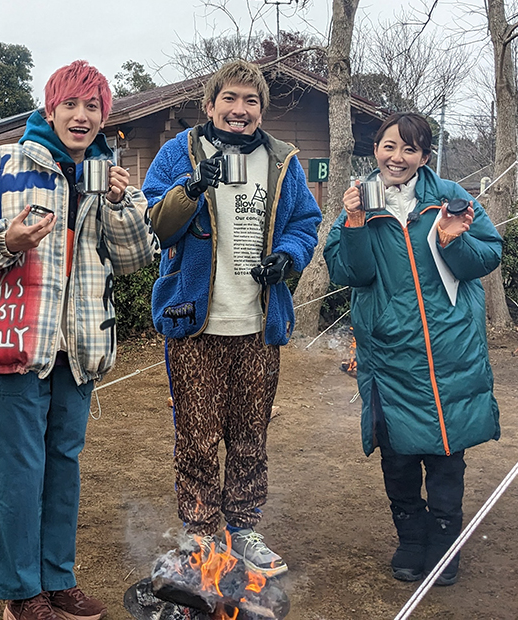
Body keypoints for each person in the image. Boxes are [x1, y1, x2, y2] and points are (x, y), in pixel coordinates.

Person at [0, 61, 157, 620]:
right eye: (72, 105)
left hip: (79, 345)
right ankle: (20, 592)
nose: (81, 116)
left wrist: (119, 205)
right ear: (50, 110)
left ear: (104, 118)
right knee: (19, 470)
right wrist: (5, 241)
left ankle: (58, 577)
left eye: (93, 107)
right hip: (15, 341)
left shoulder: (111, 179)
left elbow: (137, 261)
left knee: (64, 464)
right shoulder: (9, 166)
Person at [141, 60, 322, 577]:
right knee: (196, 435)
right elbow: (160, 224)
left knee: (250, 433)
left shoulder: (282, 160)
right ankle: (200, 532)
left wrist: (287, 256)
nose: (240, 110)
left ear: (261, 110)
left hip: (259, 323)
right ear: (210, 104)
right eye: (230, 99)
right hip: (194, 322)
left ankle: (243, 526)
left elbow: (305, 222)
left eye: (251, 102)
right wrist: (194, 187)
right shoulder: (179, 152)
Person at [323, 112, 503, 586]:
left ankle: (445, 544)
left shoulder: (451, 198)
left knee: (447, 457)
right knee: (397, 456)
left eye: (408, 149)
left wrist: (451, 241)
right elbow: (349, 272)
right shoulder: (357, 202)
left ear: (425, 156)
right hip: (388, 351)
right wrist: (356, 222)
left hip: (449, 348)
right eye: (387, 147)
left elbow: (488, 255)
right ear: (374, 151)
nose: (396, 157)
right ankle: (410, 538)